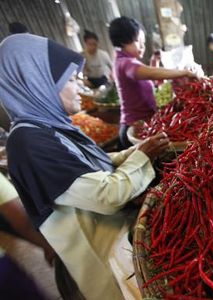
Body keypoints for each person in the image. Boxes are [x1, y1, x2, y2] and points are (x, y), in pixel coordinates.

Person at [0, 34, 173, 299]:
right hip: (105, 258)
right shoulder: (28, 143)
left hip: (120, 241)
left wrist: (135, 151)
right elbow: (106, 196)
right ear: (38, 83)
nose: (79, 88)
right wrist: (142, 157)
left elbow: (93, 163)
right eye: (70, 81)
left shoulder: (49, 126)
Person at [109, 17, 197, 148]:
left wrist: (154, 63)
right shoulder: (125, 63)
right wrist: (183, 72)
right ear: (123, 41)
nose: (142, 47)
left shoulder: (127, 61)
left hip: (145, 125)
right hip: (133, 130)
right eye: (138, 42)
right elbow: (151, 73)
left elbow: (148, 79)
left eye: (143, 43)